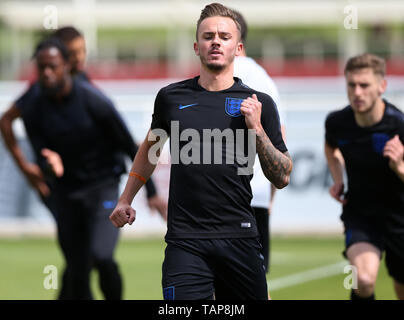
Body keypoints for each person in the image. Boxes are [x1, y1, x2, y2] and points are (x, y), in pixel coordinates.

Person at [110, 2, 292, 300]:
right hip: (185, 241)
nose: (216, 41)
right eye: (208, 36)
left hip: (240, 237)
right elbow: (151, 150)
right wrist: (125, 198)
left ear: (238, 47)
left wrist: (257, 130)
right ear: (197, 46)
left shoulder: (260, 103)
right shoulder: (170, 97)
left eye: (224, 36)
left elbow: (282, 176)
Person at [0, 37, 167, 300]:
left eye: (53, 66)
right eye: (41, 67)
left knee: (102, 258)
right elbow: (36, 147)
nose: (46, 73)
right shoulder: (33, 104)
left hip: (103, 189)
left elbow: (129, 145)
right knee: (77, 269)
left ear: (67, 66)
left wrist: (152, 191)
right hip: (65, 194)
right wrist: (39, 167)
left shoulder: (92, 100)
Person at [325, 53, 404, 300]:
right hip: (361, 215)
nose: (357, 92)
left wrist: (400, 166)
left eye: (364, 85)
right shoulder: (337, 122)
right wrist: (338, 178)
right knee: (364, 279)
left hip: (400, 217)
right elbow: (330, 148)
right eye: (352, 85)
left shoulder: (398, 126)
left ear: (382, 86)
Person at [232, 9, 287, 278]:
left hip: (219, 197)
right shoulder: (264, 78)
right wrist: (271, 194)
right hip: (257, 193)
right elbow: (280, 139)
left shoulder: (211, 78)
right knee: (254, 282)